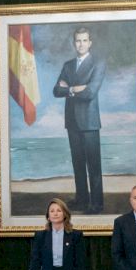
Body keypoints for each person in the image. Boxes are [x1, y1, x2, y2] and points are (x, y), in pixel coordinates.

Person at [52, 27, 106, 214]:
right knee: (78, 164)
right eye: (78, 40)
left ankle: (97, 204)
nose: (81, 44)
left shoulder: (98, 63)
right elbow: (56, 91)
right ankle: (82, 200)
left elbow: (91, 92)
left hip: (90, 122)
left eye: (84, 40)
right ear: (74, 43)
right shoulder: (68, 65)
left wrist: (68, 89)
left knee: (94, 166)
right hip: (72, 122)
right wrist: (76, 89)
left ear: (90, 43)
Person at [21, 198, 89, 270]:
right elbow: (35, 264)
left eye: (59, 210)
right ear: (48, 216)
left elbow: (81, 265)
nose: (55, 213)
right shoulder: (41, 236)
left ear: (65, 214)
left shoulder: (75, 236)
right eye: (52, 211)